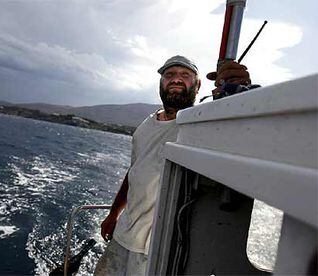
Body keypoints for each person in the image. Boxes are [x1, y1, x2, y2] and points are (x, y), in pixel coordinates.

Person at [94, 55, 251, 275]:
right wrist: (113, 214)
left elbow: (239, 134)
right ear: (161, 84)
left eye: (185, 75)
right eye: (169, 75)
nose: (176, 79)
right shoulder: (144, 126)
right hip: (122, 236)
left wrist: (241, 91)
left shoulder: (201, 125)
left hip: (156, 250)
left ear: (197, 86)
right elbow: (134, 172)